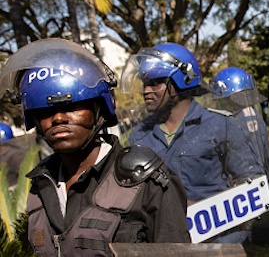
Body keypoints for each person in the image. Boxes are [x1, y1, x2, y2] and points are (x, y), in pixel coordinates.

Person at [0, 38, 190, 256]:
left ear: (99, 109)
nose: (58, 118)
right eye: (44, 110)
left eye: (72, 106)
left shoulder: (147, 181)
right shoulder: (40, 186)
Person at [120, 42, 264, 244]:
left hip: (219, 243)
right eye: (145, 83)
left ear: (182, 81)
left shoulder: (220, 125)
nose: (147, 91)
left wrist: (204, 212)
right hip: (165, 244)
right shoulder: (139, 137)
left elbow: (252, 184)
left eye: (156, 83)